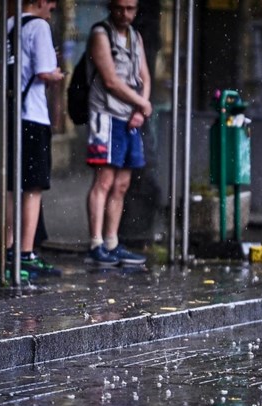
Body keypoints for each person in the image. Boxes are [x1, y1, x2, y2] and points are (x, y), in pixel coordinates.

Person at [84, 0, 152, 266]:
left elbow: (144, 75)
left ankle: (112, 241)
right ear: (111, 8)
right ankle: (96, 243)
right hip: (106, 115)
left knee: (122, 184)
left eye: (131, 8)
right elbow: (110, 80)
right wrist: (141, 102)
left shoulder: (135, 37)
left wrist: (140, 108)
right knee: (104, 181)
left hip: (130, 118)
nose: (125, 14)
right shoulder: (101, 34)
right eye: (120, 8)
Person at [3, 0, 65, 277]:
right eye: (50, 7)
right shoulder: (39, 26)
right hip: (33, 115)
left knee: (10, 187)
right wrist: (57, 73)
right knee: (33, 187)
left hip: (9, 116)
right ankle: (25, 252)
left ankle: (6, 249)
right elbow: (43, 71)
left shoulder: (8, 25)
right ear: (40, 2)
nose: (50, 12)